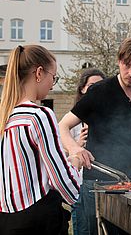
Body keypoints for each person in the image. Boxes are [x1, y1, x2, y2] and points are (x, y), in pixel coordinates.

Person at [59, 37, 131, 235]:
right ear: (119, 61)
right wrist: (74, 148)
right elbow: (63, 125)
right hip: (97, 183)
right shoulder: (99, 91)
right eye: (127, 65)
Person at [0, 45, 82, 235]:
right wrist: (76, 160)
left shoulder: (5, 116)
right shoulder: (39, 115)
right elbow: (62, 183)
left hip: (6, 220)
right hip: (38, 221)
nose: (52, 84)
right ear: (39, 73)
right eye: (53, 77)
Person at [68, 68, 105, 235]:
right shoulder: (73, 120)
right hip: (80, 186)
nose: (96, 90)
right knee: (84, 230)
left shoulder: (107, 117)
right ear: (82, 89)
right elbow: (63, 156)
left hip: (103, 185)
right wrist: (78, 144)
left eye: (100, 86)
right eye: (91, 86)